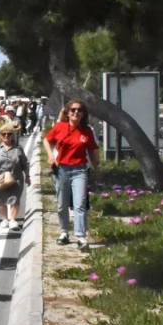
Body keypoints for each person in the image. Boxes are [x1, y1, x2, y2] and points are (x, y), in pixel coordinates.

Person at [44, 100, 100, 251]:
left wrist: (97, 169)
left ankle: (81, 236)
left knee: (80, 203)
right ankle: (64, 232)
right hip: (62, 169)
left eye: (80, 110)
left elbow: (93, 151)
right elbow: (46, 140)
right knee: (62, 204)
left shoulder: (87, 131)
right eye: (73, 110)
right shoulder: (60, 127)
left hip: (80, 170)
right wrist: (50, 156)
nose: (76, 112)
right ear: (68, 113)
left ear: (83, 114)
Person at [0, 123, 31, 231]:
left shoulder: (18, 148)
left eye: (9, 134)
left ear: (13, 135)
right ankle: (4, 220)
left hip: (16, 178)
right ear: (0, 135)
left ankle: (13, 220)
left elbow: (25, 163)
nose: (6, 136)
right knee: (1, 199)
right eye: (4, 134)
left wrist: (28, 176)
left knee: (15, 199)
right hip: (0, 178)